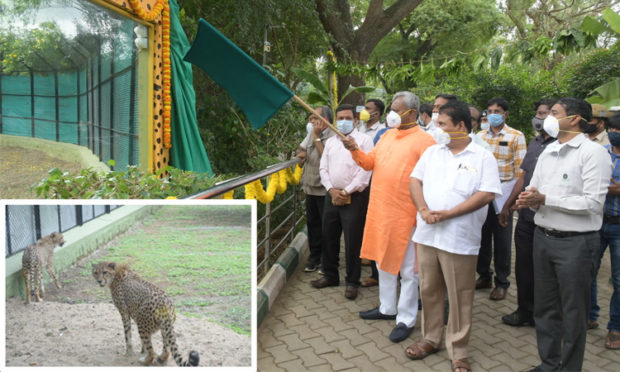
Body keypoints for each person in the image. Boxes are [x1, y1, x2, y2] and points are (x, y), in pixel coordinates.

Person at [515, 97, 612, 371]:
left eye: (555, 113)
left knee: (573, 313)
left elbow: (593, 204)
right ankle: (549, 363)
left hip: (576, 244)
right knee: (545, 309)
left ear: (574, 118)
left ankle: (569, 367)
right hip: (542, 238)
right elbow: (535, 189)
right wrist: (528, 198)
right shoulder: (548, 151)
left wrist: (545, 199)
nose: (548, 117)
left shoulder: (593, 153)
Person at [406, 100, 501, 372]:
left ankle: (458, 350)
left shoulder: (482, 157)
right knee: (429, 289)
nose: (438, 129)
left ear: (461, 126)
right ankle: (431, 338)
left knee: (460, 295)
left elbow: (486, 194)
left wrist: (448, 214)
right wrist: (423, 208)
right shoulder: (433, 153)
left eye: (443, 125)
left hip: (458, 238)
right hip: (427, 234)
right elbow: (415, 180)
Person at [341, 91, 436, 343]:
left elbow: (431, 182)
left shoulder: (425, 142)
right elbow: (369, 163)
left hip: (407, 216)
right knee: (383, 263)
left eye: (397, 109)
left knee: (408, 271)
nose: (392, 113)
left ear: (412, 114)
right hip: (380, 212)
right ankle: (387, 308)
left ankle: (405, 319)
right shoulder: (385, 136)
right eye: (391, 108)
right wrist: (354, 150)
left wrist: (422, 212)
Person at [498, 98, 556, 327]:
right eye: (539, 113)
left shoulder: (562, 147)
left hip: (549, 220)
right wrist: (507, 205)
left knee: (546, 272)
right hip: (525, 218)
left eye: (548, 114)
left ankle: (546, 317)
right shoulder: (535, 143)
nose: (542, 118)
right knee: (523, 268)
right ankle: (525, 311)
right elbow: (523, 176)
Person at [310, 104, 373, 300]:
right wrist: (331, 190)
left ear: (355, 120)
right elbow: (323, 168)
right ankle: (330, 275)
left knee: (352, 240)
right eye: (340, 118)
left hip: (354, 197)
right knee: (329, 235)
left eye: (347, 118)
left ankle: (352, 281)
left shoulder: (365, 140)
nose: (343, 122)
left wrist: (346, 191)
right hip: (332, 195)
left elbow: (366, 171)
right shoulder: (330, 142)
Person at [476, 97, 527, 301]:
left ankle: (502, 282)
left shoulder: (516, 136)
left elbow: (521, 172)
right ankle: (484, 276)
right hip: (482, 195)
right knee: (482, 239)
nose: (493, 114)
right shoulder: (479, 136)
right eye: (489, 110)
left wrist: (509, 204)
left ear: (505, 114)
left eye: (497, 110)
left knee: (503, 242)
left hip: (504, 197)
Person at [589, 111, 620, 349]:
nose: (615, 134)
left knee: (618, 280)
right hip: (598, 222)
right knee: (588, 270)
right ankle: (590, 315)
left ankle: (615, 328)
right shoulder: (601, 155)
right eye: (613, 130)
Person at [296, 106, 334, 273]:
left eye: (315, 118)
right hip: (310, 187)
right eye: (310, 118)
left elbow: (327, 157)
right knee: (313, 225)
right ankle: (314, 258)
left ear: (324, 120)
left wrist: (317, 137)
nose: (311, 122)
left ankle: (327, 261)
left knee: (327, 227)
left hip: (325, 189)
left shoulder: (334, 136)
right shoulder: (310, 134)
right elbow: (300, 149)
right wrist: (300, 153)